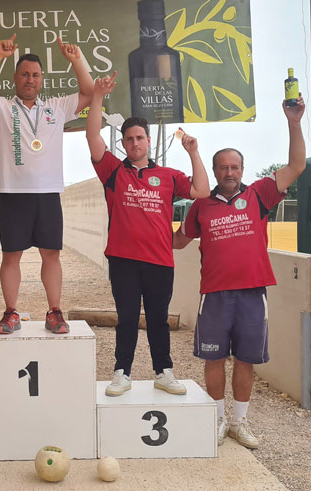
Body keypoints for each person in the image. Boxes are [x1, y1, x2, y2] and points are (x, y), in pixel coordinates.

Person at [173, 95, 306, 448]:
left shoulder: (261, 193)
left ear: (243, 170)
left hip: (252, 292)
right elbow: (177, 241)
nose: (229, 173)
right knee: (214, 357)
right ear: (214, 172)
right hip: (214, 294)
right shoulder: (200, 204)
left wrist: (293, 122)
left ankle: (240, 422)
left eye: (234, 167)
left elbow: (296, 166)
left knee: (246, 359)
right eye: (222, 168)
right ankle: (218, 420)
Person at [86, 72, 210, 396]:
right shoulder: (113, 171)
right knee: (126, 318)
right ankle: (121, 373)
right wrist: (97, 97)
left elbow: (201, 189)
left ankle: (163, 371)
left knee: (157, 320)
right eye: (129, 139)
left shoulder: (168, 175)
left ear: (148, 141)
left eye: (140, 138)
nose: (135, 143)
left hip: (159, 261)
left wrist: (193, 152)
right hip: (124, 261)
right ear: (123, 144)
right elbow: (92, 139)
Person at [0, 35, 93, 335]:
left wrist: (76, 59)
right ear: (15, 78)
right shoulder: (0, 108)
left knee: (52, 255)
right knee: (11, 256)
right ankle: (11, 312)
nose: (30, 79)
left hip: (48, 193)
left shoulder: (56, 108)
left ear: (41, 80)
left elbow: (89, 92)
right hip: (13, 194)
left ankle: (54, 312)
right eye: (24, 74)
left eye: (35, 75)